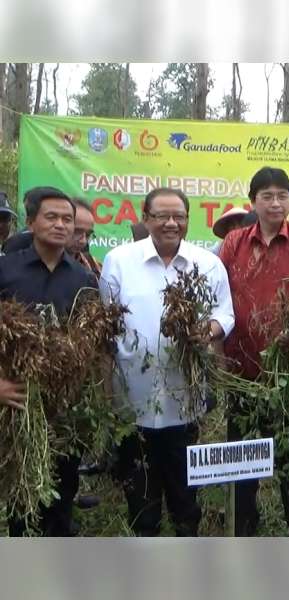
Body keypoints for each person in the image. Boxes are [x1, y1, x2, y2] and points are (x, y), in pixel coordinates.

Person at [100, 187, 234, 536]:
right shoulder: (119, 261)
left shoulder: (208, 263)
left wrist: (209, 328)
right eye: (162, 216)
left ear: (188, 220)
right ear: (146, 218)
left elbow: (225, 313)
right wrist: (107, 395)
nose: (171, 223)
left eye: (179, 216)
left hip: (185, 399)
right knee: (142, 501)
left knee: (185, 500)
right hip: (134, 399)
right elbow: (106, 325)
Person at [220, 166, 289, 536]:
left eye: (282, 195)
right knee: (242, 456)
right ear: (253, 201)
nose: (275, 202)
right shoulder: (234, 242)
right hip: (241, 368)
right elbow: (220, 296)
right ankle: (243, 528)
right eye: (266, 196)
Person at [0, 186, 97, 536]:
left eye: (67, 219)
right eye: (51, 217)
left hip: (64, 411)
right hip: (19, 408)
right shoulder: (5, 271)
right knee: (22, 500)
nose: (60, 225)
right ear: (30, 222)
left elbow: (91, 343)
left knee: (62, 495)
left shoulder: (83, 279)